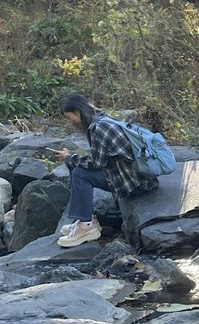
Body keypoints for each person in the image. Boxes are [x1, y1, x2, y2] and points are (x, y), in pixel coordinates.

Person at [55, 94, 157, 248]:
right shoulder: (102, 119)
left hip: (133, 182)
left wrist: (69, 157)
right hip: (136, 176)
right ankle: (84, 219)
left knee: (79, 173)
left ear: (77, 112)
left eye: (70, 118)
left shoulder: (99, 128)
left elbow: (96, 163)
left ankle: (87, 226)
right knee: (77, 166)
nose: (71, 123)